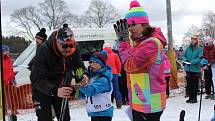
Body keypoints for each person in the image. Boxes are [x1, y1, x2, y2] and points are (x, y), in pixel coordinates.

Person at [113, 1, 167, 120]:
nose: (130, 29)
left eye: (133, 25)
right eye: (129, 26)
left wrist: (123, 42)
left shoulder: (151, 43)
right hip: (142, 100)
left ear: (144, 24)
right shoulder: (140, 42)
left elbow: (129, 65)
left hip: (150, 104)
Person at [30, 24, 88, 121]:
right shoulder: (44, 50)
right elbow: (36, 78)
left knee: (64, 117)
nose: (68, 49)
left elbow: (78, 66)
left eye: (71, 45)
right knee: (44, 118)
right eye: (64, 46)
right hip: (42, 87)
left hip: (61, 84)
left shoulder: (74, 49)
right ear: (57, 42)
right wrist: (55, 91)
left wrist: (82, 76)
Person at [79, 50, 114, 121]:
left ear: (101, 64)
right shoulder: (92, 77)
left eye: (95, 62)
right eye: (90, 62)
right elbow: (85, 95)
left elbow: (91, 91)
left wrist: (82, 85)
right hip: (95, 112)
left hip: (103, 113)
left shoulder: (104, 79)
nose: (91, 64)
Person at [182, 35, 203, 103]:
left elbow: (200, 58)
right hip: (188, 69)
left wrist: (192, 62)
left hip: (195, 69)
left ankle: (194, 98)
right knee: (189, 84)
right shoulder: (188, 48)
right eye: (192, 39)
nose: (193, 40)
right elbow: (184, 56)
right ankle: (190, 97)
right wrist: (185, 60)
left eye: (194, 39)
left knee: (195, 84)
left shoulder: (199, 49)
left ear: (197, 40)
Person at [103, 43, 122, 109]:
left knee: (105, 89)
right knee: (116, 89)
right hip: (114, 74)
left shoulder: (101, 55)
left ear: (103, 48)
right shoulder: (115, 55)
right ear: (110, 47)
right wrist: (118, 72)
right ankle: (119, 103)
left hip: (104, 74)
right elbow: (119, 65)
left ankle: (106, 104)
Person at [2, 45, 18, 115]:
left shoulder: (10, 60)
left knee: (13, 96)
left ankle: (14, 110)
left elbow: (11, 70)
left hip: (11, 81)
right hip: (3, 82)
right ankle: (4, 111)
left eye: (8, 51)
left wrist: (14, 79)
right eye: (6, 51)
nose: (8, 53)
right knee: (4, 98)